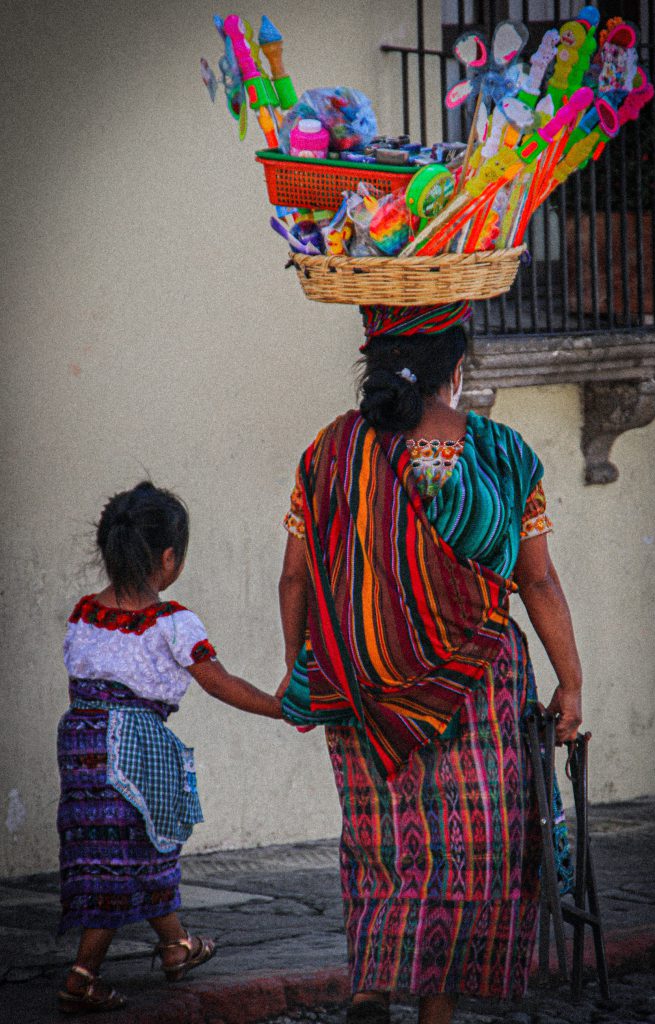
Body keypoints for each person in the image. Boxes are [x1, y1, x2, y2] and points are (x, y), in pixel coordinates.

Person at [277, 303, 582, 1024]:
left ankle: (371, 985)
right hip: (475, 683)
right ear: (456, 370)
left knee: (380, 842)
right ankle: (435, 1013)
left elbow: (296, 577)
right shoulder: (503, 454)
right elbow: (536, 581)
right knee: (466, 852)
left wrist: (306, 669)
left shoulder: (326, 451)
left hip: (357, 678)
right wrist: (570, 681)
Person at [57, 481, 281, 1014]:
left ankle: (176, 946)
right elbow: (218, 681)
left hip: (81, 744)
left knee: (115, 848)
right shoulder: (173, 622)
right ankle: (82, 976)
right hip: (137, 745)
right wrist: (280, 707)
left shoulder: (84, 613)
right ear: (168, 558)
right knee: (133, 852)